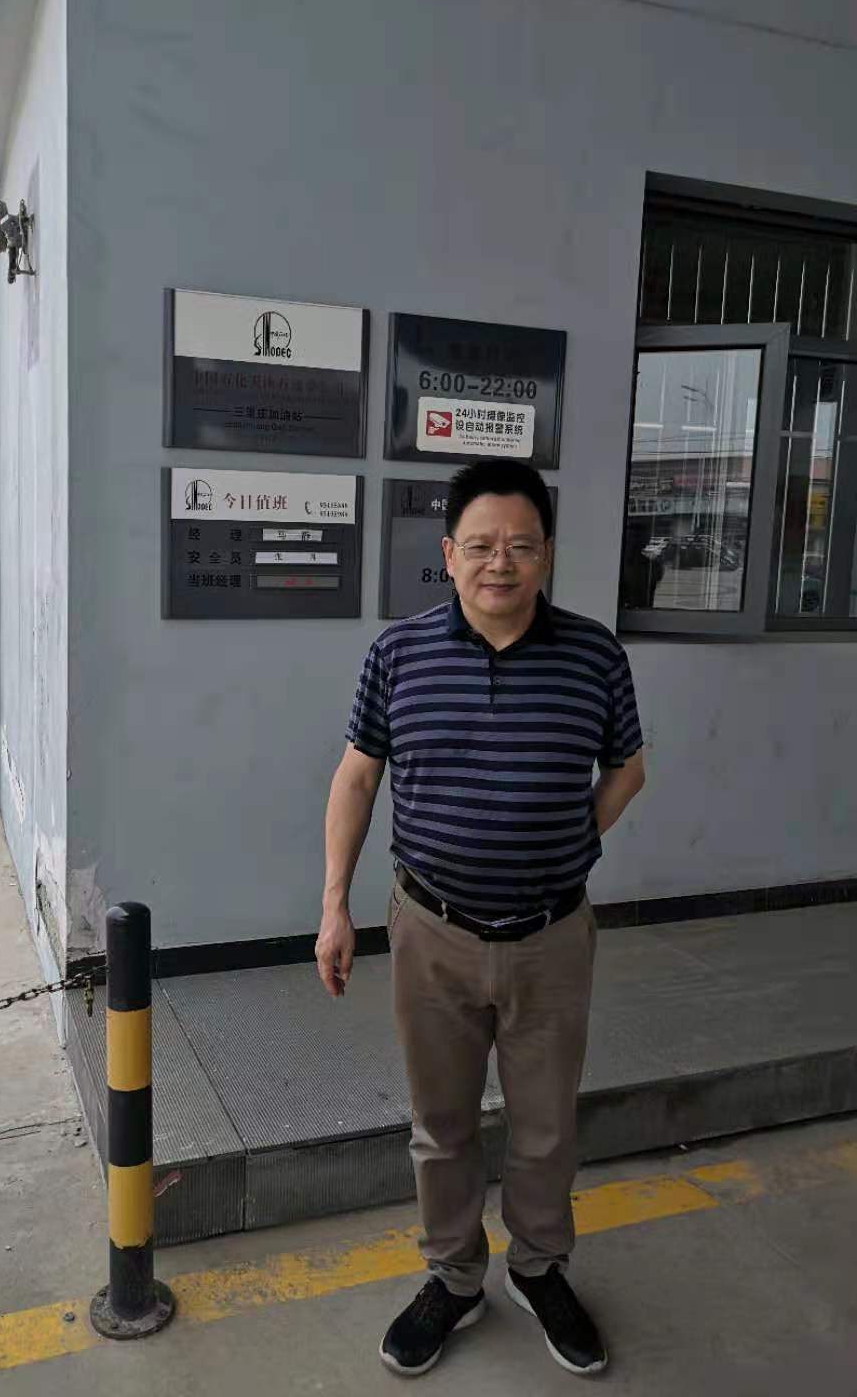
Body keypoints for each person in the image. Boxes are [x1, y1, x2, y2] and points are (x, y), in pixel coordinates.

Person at [316, 457, 645, 1379]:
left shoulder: (593, 655)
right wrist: (335, 905)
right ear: (449, 552)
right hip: (431, 931)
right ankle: (455, 1276)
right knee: (441, 1123)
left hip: (552, 936)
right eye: (482, 545)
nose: (501, 563)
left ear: (547, 555)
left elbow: (628, 769)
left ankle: (539, 1268)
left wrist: (568, 839)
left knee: (545, 1126)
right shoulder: (399, 653)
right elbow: (357, 777)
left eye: (521, 546)